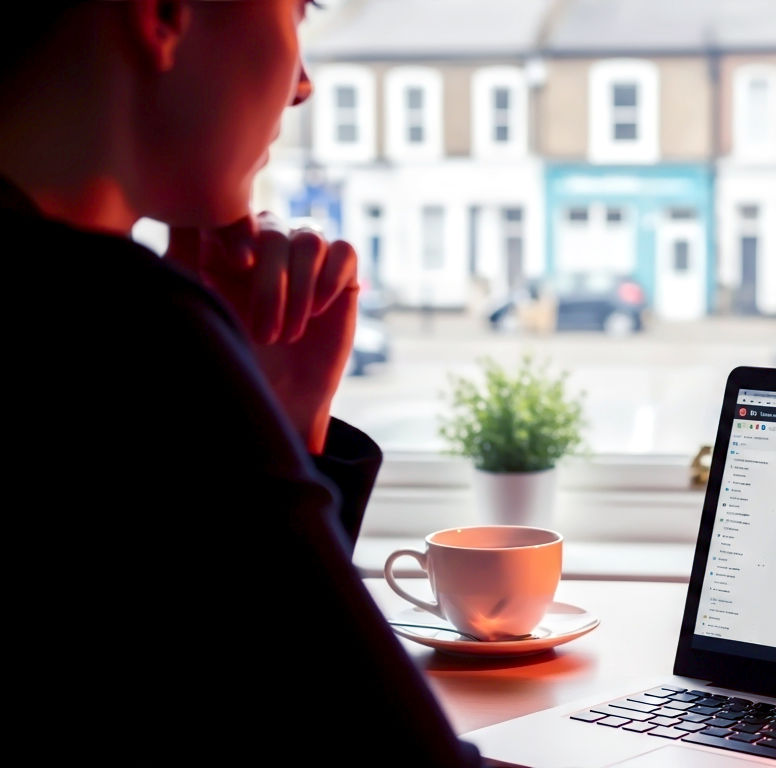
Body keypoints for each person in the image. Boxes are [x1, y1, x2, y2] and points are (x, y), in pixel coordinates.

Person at [2, 1, 482, 763]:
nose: (302, 84)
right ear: (162, 14)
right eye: (295, 8)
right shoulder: (119, 323)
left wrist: (281, 429)